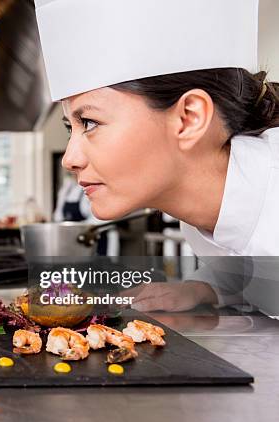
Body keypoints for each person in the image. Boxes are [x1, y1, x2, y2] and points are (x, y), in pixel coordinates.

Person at [35, 0, 279, 311]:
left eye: (91, 122)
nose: (69, 159)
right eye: (72, 128)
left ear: (189, 118)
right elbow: (247, 271)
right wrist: (200, 289)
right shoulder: (198, 219)